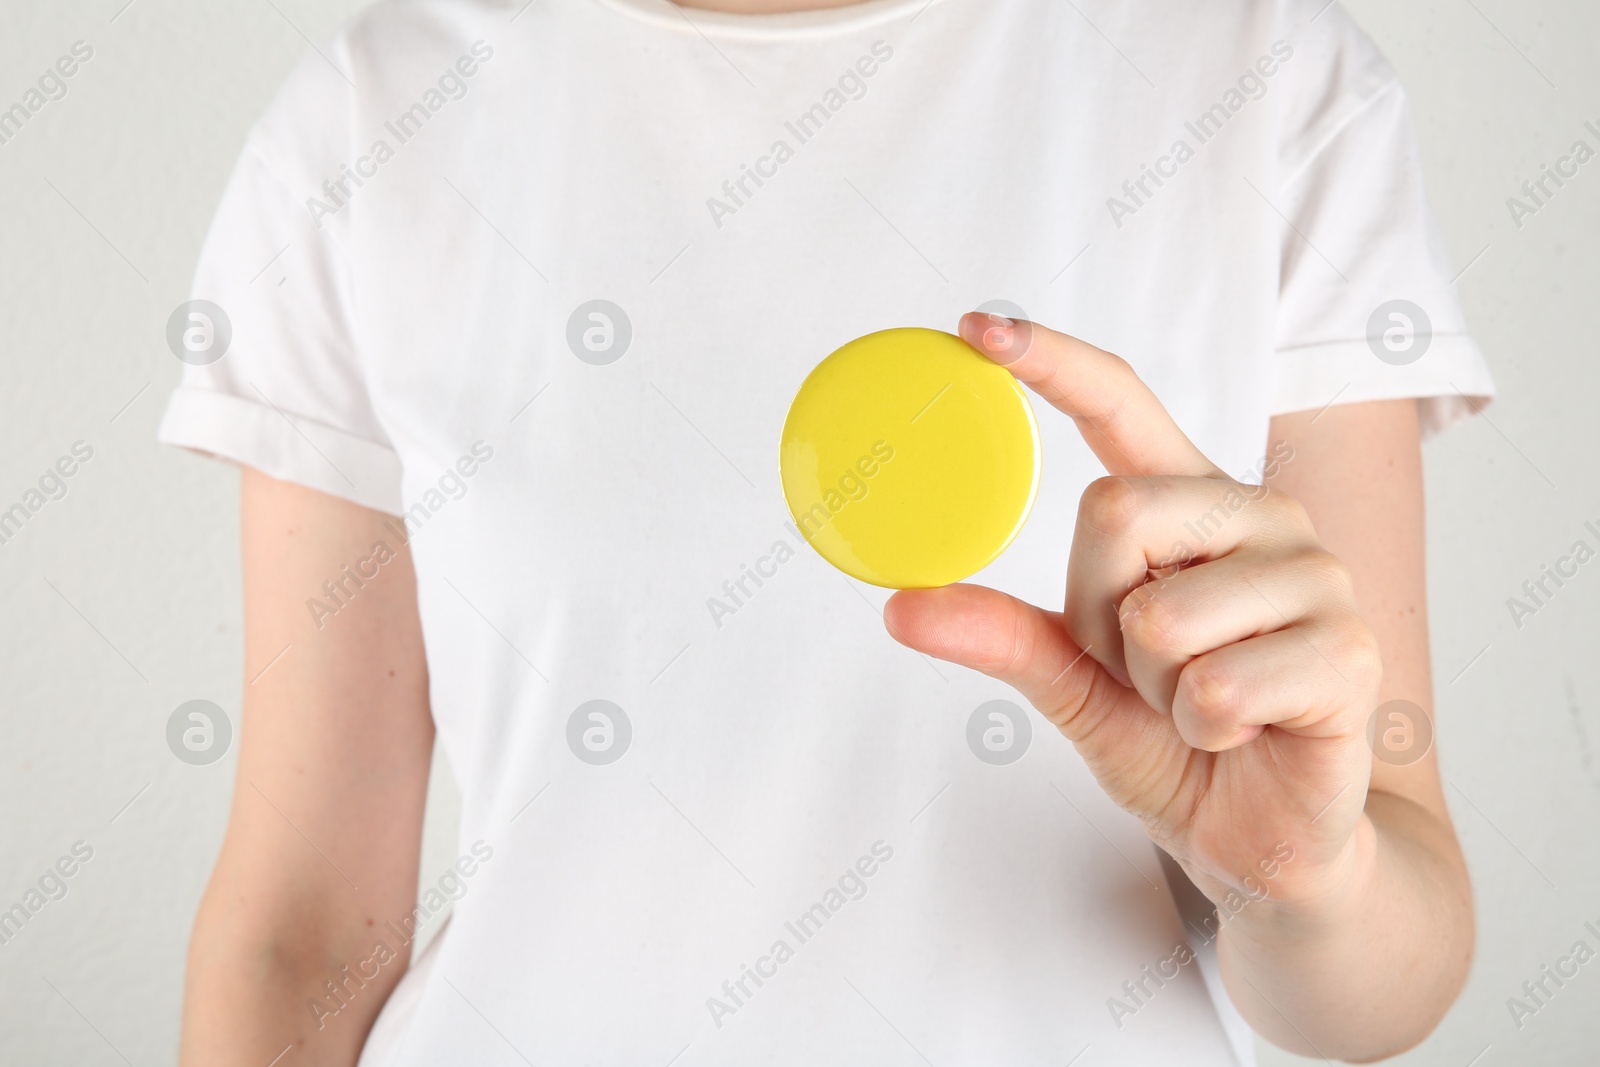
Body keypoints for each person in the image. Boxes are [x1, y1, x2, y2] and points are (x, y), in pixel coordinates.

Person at [158, 0, 1494, 1063]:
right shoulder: (375, 112)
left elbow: (1389, 977)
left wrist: (1292, 879)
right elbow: (300, 930)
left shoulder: (1269, 76)